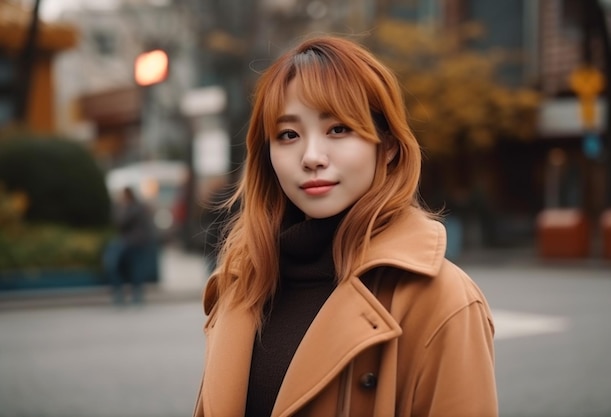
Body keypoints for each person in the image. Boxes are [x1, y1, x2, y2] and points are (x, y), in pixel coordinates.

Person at [194, 35, 498, 417]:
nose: (312, 157)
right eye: (288, 135)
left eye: (338, 129)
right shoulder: (243, 284)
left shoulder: (442, 299)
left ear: (386, 145)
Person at [103, 186, 155, 305]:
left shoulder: (131, 208)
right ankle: (135, 295)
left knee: (132, 268)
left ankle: (130, 295)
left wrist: (121, 208)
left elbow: (120, 222)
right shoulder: (140, 207)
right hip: (136, 242)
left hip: (132, 243)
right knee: (135, 269)